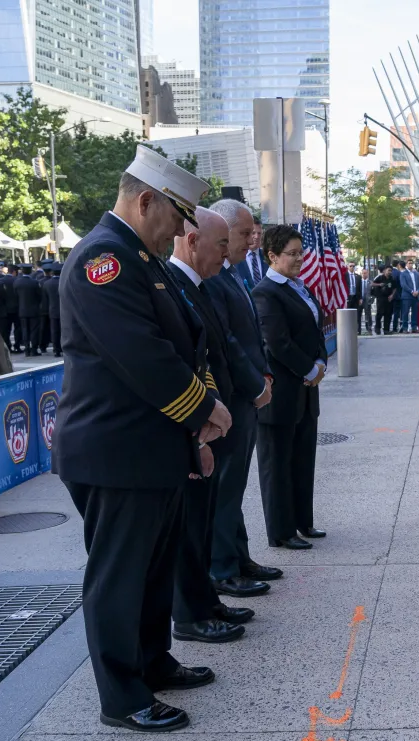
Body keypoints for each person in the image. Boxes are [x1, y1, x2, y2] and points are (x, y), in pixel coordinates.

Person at [53, 145, 228, 733]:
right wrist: (205, 410)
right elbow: (144, 358)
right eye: (176, 215)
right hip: (116, 451)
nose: (182, 229)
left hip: (150, 447)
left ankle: (152, 661)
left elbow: (188, 342)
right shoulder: (103, 260)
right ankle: (122, 694)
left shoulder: (141, 259)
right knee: (119, 576)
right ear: (145, 199)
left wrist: (194, 425)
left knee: (154, 569)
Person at [165, 208, 261, 644]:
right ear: (191, 242)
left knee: (202, 519)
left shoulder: (197, 284)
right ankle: (191, 613)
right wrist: (206, 409)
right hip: (192, 422)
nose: (227, 253)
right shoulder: (174, 283)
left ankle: (205, 603)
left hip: (211, 413)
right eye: (221, 243)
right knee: (190, 526)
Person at [204, 198, 281, 595]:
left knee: (235, 487)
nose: (253, 240)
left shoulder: (232, 273)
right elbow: (226, 341)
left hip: (247, 394)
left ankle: (239, 557)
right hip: (233, 396)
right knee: (226, 487)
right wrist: (255, 385)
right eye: (244, 233)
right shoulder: (215, 276)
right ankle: (222, 568)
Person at [252, 224, 328, 550]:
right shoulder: (265, 292)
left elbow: (315, 327)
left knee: (302, 460)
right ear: (272, 255)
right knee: (278, 465)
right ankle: (281, 532)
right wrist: (309, 368)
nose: (299, 259)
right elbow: (277, 344)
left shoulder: (300, 287)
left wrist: (321, 362)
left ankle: (302, 522)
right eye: (292, 254)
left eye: (301, 252)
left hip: (307, 390)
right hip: (281, 392)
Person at [14, 262, 44, 356]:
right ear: (30, 271)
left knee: (24, 329)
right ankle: (34, 349)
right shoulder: (34, 282)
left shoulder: (17, 282)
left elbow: (16, 296)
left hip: (22, 310)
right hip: (34, 310)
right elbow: (40, 296)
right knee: (34, 330)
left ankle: (27, 349)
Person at [0, 263, 21, 352]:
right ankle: (17, 346)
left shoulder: (0, 281)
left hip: (5, 309)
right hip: (17, 308)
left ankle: (7, 346)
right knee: (18, 329)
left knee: (6, 330)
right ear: (14, 272)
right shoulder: (18, 280)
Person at [41, 261, 63, 355]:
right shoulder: (64, 282)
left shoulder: (47, 283)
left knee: (54, 331)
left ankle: (56, 349)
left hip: (52, 310)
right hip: (64, 310)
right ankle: (63, 347)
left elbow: (45, 299)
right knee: (64, 330)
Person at [396, 259, 418, 333]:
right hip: (407, 296)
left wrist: (418, 291)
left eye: (412, 263)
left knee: (415, 312)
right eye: (409, 263)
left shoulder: (416, 273)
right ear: (406, 265)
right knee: (405, 312)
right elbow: (403, 285)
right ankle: (405, 327)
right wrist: (412, 291)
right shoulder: (403, 274)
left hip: (416, 296)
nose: (411, 264)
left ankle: (414, 327)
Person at [371, 264, 392, 336]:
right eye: (388, 270)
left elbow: (395, 287)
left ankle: (386, 329)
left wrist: (392, 295)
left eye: (390, 271)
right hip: (380, 298)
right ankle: (377, 328)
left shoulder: (391, 278)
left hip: (388, 299)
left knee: (388, 314)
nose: (389, 272)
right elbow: (372, 284)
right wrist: (379, 284)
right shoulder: (380, 277)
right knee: (379, 314)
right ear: (384, 271)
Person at [345, 262, 365, 334]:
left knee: (357, 315)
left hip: (356, 298)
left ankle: (358, 330)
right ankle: (348, 330)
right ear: (348, 267)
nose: (352, 267)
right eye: (351, 266)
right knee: (347, 314)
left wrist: (360, 298)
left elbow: (360, 289)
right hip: (348, 297)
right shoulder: (345, 275)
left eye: (353, 266)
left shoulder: (358, 277)